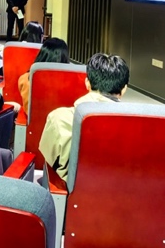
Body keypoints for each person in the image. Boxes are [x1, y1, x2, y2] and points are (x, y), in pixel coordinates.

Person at [39, 53, 129, 181]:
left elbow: (51, 161)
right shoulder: (139, 128)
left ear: (87, 83)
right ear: (124, 89)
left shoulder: (59, 118)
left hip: (75, 192)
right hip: (124, 191)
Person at [20, 37, 70, 117]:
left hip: (34, 123)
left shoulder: (25, 79)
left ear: (41, 55)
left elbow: (27, 110)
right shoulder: (70, 83)